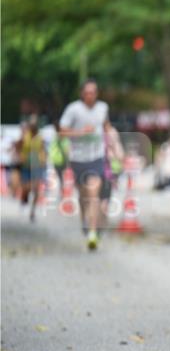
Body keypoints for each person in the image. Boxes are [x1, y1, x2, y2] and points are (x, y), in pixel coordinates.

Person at [59, 79, 110, 250]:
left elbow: (106, 126)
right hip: (78, 158)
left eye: (93, 92)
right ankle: (84, 221)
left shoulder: (103, 108)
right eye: (87, 92)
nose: (90, 95)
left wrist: (114, 145)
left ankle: (93, 232)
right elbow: (62, 131)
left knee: (93, 193)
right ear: (82, 94)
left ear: (97, 93)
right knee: (83, 195)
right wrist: (81, 132)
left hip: (97, 157)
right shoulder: (73, 109)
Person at [19, 117, 46, 222]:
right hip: (26, 165)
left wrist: (43, 160)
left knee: (36, 189)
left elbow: (43, 150)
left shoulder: (40, 138)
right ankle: (24, 200)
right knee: (26, 187)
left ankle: (32, 211)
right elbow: (19, 147)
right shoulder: (25, 137)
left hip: (37, 166)